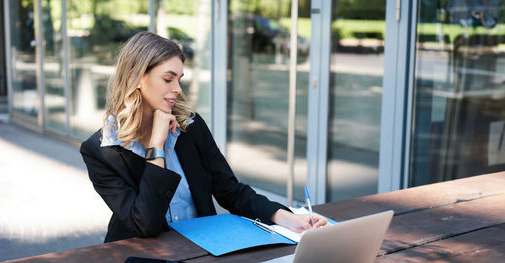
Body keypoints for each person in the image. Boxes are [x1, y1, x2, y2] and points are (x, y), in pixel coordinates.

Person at [80, 32, 329, 243]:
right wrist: (156, 146)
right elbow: (145, 225)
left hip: (201, 249)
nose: (177, 89)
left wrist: (287, 218)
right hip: (139, 255)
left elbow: (231, 191)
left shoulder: (190, 125)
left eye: (179, 79)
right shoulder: (102, 150)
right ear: (137, 78)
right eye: (168, 79)